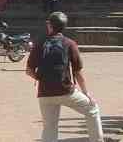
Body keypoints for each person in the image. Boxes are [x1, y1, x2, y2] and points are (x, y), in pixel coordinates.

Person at [26, 12, 104, 142]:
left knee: (49, 128)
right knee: (92, 109)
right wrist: (86, 93)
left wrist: (41, 79)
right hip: (66, 91)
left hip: (44, 93)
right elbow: (78, 72)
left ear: (49, 26)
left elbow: (29, 70)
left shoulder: (39, 43)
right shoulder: (69, 43)